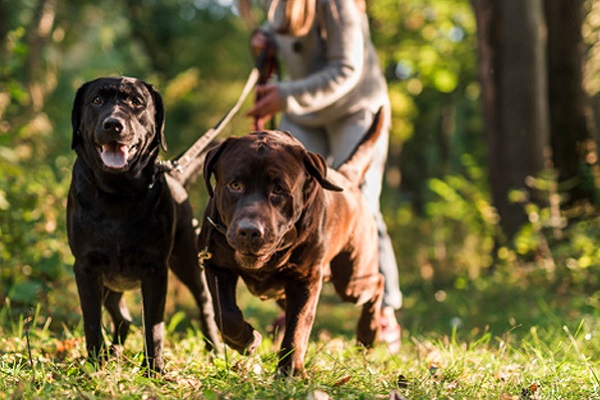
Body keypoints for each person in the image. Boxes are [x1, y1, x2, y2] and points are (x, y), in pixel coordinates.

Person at [240, 0, 402, 352]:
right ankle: (290, 303)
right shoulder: (275, 5)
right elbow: (278, 28)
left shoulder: (337, 5)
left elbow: (346, 69)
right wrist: (263, 38)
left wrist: (284, 94)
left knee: (362, 205)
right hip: (304, 116)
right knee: (289, 203)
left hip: (355, 109)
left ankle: (385, 308)